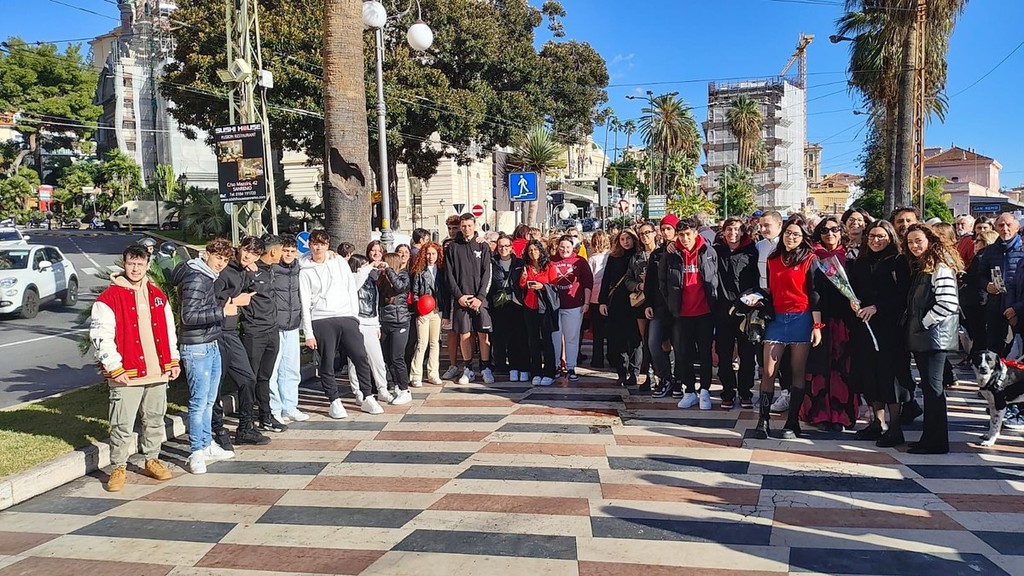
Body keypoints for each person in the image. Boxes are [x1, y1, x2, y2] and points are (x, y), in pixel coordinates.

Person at [93, 244, 182, 491]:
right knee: (121, 423)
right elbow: (100, 336)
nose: (135, 269)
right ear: (124, 264)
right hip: (126, 374)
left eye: (140, 264)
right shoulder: (109, 298)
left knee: (154, 419)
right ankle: (118, 467)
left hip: (157, 372)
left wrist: (172, 360)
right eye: (131, 263)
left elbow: (169, 330)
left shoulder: (157, 295)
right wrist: (114, 367)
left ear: (148, 265)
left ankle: (152, 459)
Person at [750, 215, 821, 440]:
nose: (791, 237)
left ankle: (792, 422)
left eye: (796, 234)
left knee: (798, 371)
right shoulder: (773, 258)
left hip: (802, 317)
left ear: (803, 237)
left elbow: (815, 294)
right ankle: (763, 421)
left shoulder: (810, 258)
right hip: (777, 319)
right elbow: (771, 289)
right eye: (788, 233)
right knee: (769, 370)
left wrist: (817, 326)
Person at [170, 238, 237, 474]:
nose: (221, 263)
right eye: (218, 257)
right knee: (199, 402)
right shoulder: (197, 277)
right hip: (196, 347)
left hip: (210, 342)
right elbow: (188, 316)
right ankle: (196, 451)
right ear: (206, 254)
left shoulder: (208, 275)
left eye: (225, 259)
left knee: (209, 400)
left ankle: (207, 444)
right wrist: (222, 312)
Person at [299, 229, 382, 416]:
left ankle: (367, 396)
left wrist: (354, 316)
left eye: (322, 244)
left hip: (346, 316)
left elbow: (350, 287)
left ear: (328, 245)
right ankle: (334, 400)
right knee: (327, 362)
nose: (318, 248)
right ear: (309, 245)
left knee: (360, 356)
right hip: (321, 318)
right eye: (315, 244)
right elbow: (304, 301)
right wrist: (308, 332)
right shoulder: (304, 270)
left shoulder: (338, 262)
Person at [849, 220, 910, 447]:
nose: (876, 240)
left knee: (889, 376)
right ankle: (877, 422)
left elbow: (904, 295)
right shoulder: (861, 262)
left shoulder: (899, 261)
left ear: (890, 237)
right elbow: (855, 288)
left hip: (890, 328)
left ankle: (895, 428)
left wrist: (878, 307)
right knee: (869, 374)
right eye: (872, 236)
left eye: (881, 236)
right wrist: (853, 302)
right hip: (865, 326)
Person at [902, 223, 962, 454]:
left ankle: (935, 441)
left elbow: (948, 303)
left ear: (930, 240)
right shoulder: (925, 266)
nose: (914, 246)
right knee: (929, 388)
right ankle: (930, 438)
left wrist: (924, 322)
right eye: (910, 242)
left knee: (934, 388)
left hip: (934, 337)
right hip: (927, 336)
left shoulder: (940, 266)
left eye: (919, 241)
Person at [803, 216, 858, 431]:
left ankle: (841, 414)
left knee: (843, 368)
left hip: (845, 321)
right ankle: (819, 413)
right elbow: (812, 290)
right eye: (824, 231)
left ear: (841, 232)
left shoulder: (851, 257)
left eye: (834, 230)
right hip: (819, 319)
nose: (830, 234)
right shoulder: (813, 257)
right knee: (818, 367)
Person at [213, 236, 269, 447]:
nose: (248, 256)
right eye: (246, 251)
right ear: (240, 248)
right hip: (216, 333)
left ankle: (246, 427)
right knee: (215, 386)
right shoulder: (224, 270)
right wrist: (235, 301)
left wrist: (252, 272)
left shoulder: (244, 270)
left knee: (248, 379)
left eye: (254, 254)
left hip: (231, 333)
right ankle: (218, 430)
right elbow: (210, 299)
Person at [659, 217, 719, 410]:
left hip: (705, 312)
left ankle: (705, 390)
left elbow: (715, 278)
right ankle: (690, 391)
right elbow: (663, 282)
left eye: (688, 234)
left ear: (695, 233)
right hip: (682, 313)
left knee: (705, 353)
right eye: (681, 235)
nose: (685, 239)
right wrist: (671, 303)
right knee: (683, 353)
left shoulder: (708, 251)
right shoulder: (671, 253)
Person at [240, 235, 287, 434]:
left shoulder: (271, 269)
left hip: (272, 330)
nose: (283, 254)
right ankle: (246, 422)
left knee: (265, 377)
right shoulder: (248, 270)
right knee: (249, 378)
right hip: (254, 332)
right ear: (274, 251)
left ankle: (266, 417)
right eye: (282, 250)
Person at [713, 217, 759, 410]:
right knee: (724, 354)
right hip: (722, 311)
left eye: (737, 229)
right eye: (729, 229)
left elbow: (757, 279)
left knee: (747, 355)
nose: (733, 233)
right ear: (723, 231)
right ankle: (728, 393)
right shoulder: (716, 250)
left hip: (746, 311)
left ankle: (745, 392)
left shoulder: (752, 251)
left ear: (742, 232)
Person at [444, 213, 495, 385]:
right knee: (464, 334)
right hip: (462, 299)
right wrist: (458, 296)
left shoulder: (483, 246)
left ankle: (486, 367)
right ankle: (468, 369)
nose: (466, 229)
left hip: (480, 299)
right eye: (463, 226)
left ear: (475, 225)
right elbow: (449, 275)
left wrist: (480, 297)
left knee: (483, 334)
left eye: (469, 226)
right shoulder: (452, 247)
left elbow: (487, 273)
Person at [268, 234, 308, 424]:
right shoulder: (271, 268)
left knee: (291, 369)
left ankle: (289, 407)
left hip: (292, 325)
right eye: (286, 250)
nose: (289, 254)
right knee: (273, 370)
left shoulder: (299, 267)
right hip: (275, 325)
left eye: (293, 251)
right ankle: (274, 409)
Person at [599, 228, 642, 386]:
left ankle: (634, 372)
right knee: (617, 339)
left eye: (628, 238)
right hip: (617, 303)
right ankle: (621, 372)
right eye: (622, 239)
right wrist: (602, 301)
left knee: (635, 339)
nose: (626, 242)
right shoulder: (613, 257)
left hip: (636, 301)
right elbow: (606, 280)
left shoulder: (639, 256)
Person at [348, 254, 392, 403]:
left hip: (371, 322)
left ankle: (382, 388)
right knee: (355, 360)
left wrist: (377, 324)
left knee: (377, 359)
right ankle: (358, 391)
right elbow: (357, 281)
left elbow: (375, 303)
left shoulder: (371, 280)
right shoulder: (352, 279)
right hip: (356, 323)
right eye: (363, 265)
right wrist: (369, 267)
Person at [551, 234, 594, 382]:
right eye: (562, 247)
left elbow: (588, 283)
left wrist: (586, 303)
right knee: (555, 337)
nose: (564, 250)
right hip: (554, 306)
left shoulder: (580, 261)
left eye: (567, 247)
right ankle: (556, 365)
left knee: (572, 337)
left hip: (574, 305)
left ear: (573, 247)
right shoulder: (551, 260)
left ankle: (571, 367)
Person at [646, 215, 679, 397]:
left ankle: (678, 380)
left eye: (669, 229)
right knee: (654, 343)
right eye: (663, 229)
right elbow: (650, 281)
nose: (666, 232)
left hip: (679, 307)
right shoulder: (656, 254)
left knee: (679, 346)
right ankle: (665, 378)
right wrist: (648, 304)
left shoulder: (683, 250)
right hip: (659, 306)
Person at [488, 234, 528, 382]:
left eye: (506, 246)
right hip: (499, 304)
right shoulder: (492, 263)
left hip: (518, 304)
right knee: (501, 337)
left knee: (519, 338)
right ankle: (508, 367)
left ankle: (522, 367)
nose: (503, 249)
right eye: (500, 246)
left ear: (511, 247)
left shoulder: (519, 263)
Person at [519, 239, 557, 386]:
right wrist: (523, 279)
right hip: (530, 306)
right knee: (533, 340)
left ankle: (549, 372)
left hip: (544, 307)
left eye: (535, 249)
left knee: (547, 340)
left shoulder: (549, 266)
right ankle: (536, 372)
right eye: (530, 250)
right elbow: (522, 285)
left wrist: (542, 286)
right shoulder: (526, 267)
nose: (533, 252)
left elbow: (555, 285)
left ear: (540, 251)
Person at [409, 242, 447, 387]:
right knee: (422, 343)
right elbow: (415, 293)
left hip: (437, 310)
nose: (431, 257)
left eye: (433, 254)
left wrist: (444, 313)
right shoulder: (420, 272)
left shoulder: (442, 271)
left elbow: (445, 292)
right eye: (428, 254)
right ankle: (416, 375)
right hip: (423, 311)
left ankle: (433, 373)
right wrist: (419, 310)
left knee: (435, 343)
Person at [378, 252, 413, 405]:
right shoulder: (381, 279)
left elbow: (400, 287)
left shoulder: (403, 275)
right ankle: (397, 386)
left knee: (397, 357)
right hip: (384, 322)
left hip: (400, 322)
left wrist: (388, 270)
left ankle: (405, 390)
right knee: (387, 357)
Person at [626, 221, 658, 386]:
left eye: (647, 233)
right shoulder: (636, 257)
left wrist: (652, 279)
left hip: (660, 301)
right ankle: (649, 374)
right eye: (642, 234)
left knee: (662, 340)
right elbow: (628, 279)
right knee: (645, 339)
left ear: (654, 233)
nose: (645, 236)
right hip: (641, 302)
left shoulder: (662, 253)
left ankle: (666, 375)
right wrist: (638, 285)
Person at [588, 230, 611, 369]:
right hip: (609, 296)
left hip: (594, 296)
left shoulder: (592, 259)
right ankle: (612, 357)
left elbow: (590, 278)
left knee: (598, 332)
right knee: (611, 330)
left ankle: (597, 359)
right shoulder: (611, 256)